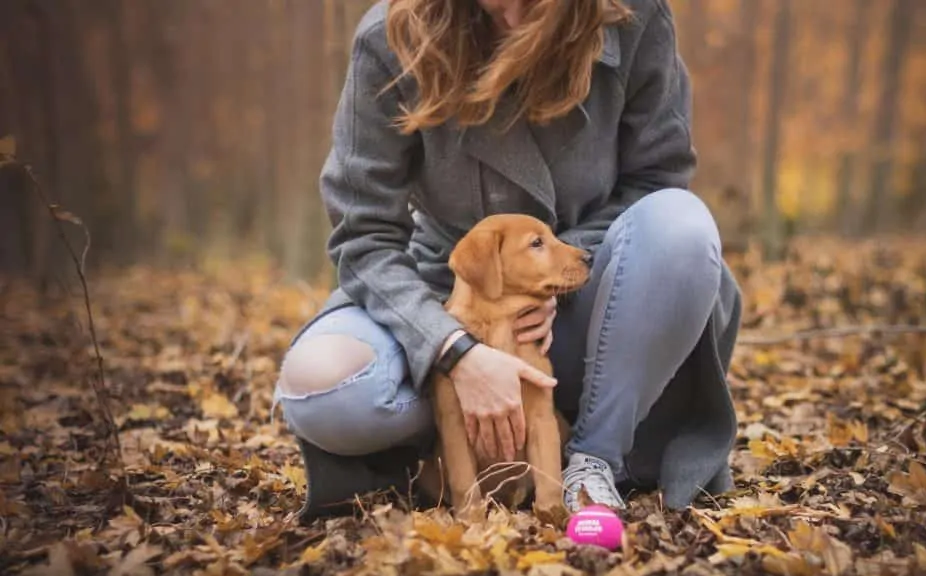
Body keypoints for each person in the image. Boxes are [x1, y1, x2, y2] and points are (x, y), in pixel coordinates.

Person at [273, 0, 743, 522]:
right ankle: (448, 452)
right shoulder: (392, 37)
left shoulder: (634, 17)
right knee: (324, 386)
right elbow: (364, 235)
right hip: (447, 293)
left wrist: (553, 277)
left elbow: (657, 178)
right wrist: (450, 348)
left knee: (682, 224)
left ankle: (593, 458)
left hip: (594, 292)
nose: (516, 18)